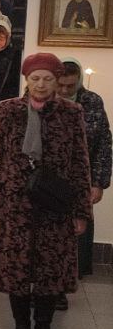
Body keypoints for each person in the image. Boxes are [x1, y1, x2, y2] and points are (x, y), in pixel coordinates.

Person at [0, 53, 91, 329]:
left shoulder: (71, 112)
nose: (41, 84)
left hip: (55, 203)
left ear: (57, 81)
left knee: (50, 270)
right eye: (35, 78)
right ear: (26, 79)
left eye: (48, 79)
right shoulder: (9, 110)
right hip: (13, 203)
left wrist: (81, 211)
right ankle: (21, 327)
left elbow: (80, 161)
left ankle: (43, 328)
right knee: (16, 268)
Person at [57, 60, 111, 279]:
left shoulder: (92, 101)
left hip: (81, 178)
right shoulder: (42, 99)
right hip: (49, 180)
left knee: (78, 231)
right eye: (60, 85)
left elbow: (103, 144)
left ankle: (71, 279)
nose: (64, 91)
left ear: (78, 83)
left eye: (70, 86)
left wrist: (98, 183)